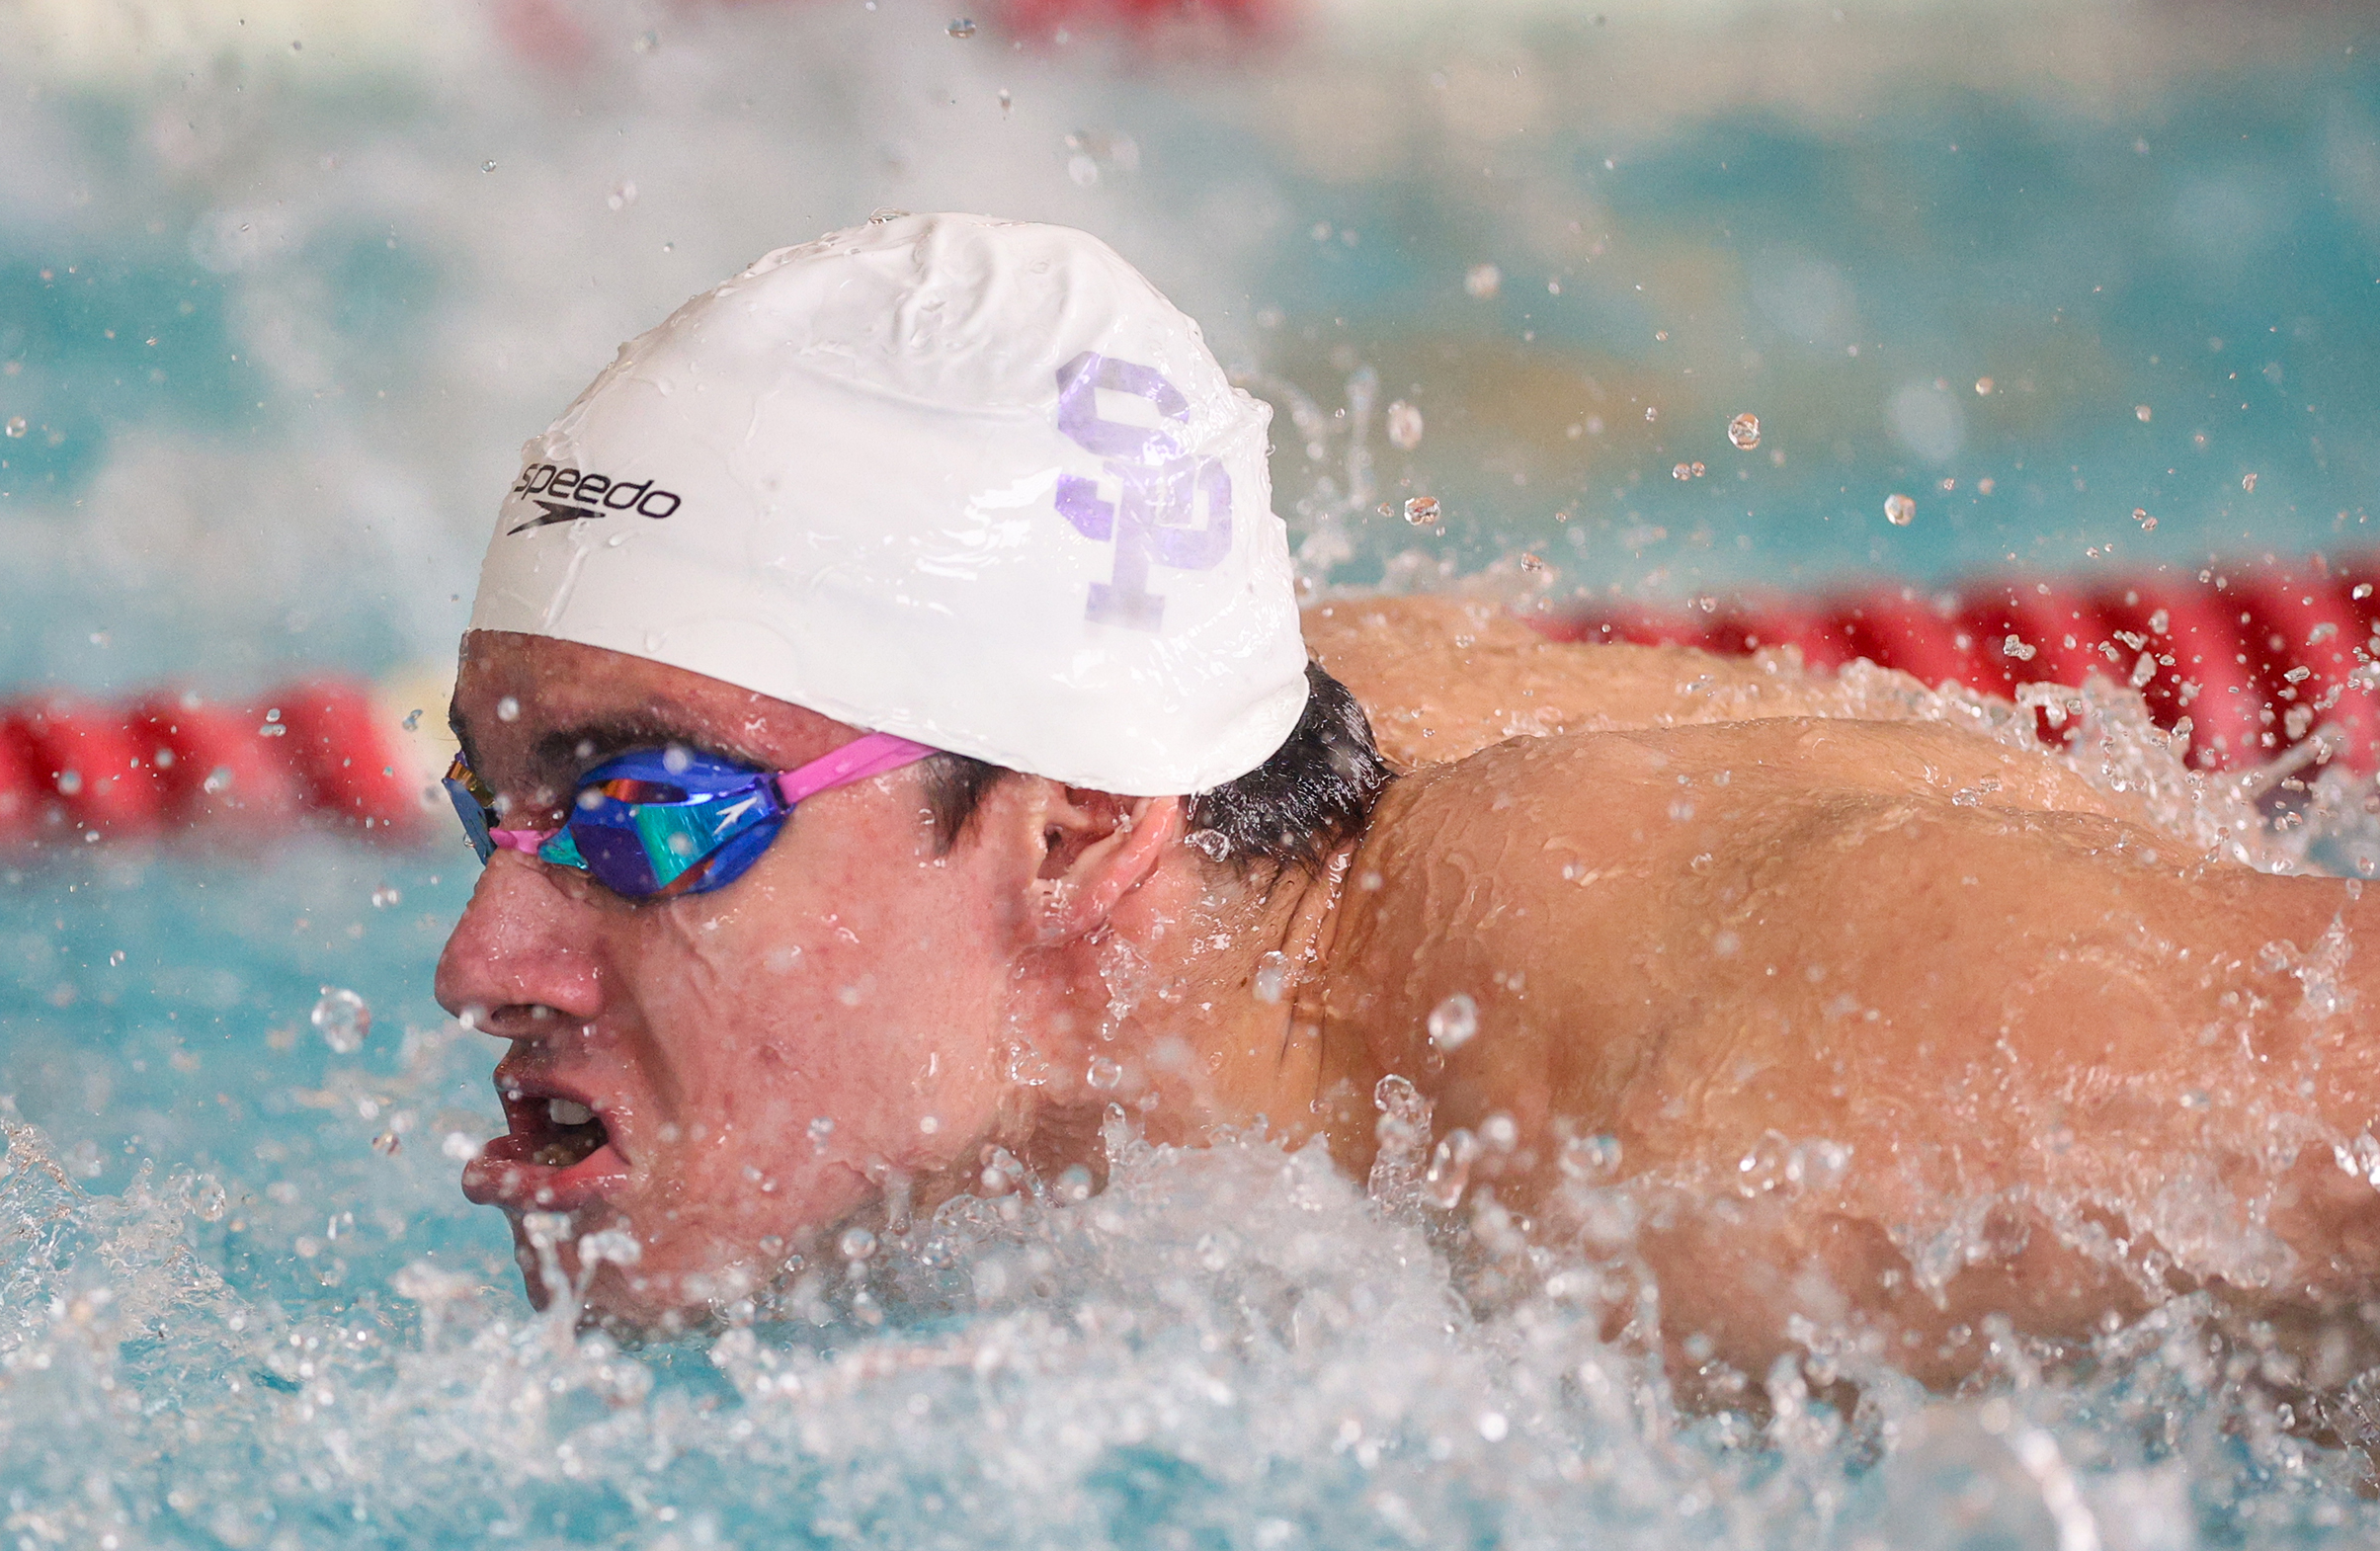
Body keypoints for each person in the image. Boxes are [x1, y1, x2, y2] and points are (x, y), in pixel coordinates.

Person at [429, 211, 2380, 1394]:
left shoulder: (1738, 1116)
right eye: (490, 800)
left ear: (1080, 832)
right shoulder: (1134, 829)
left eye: (646, 814)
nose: (478, 959)